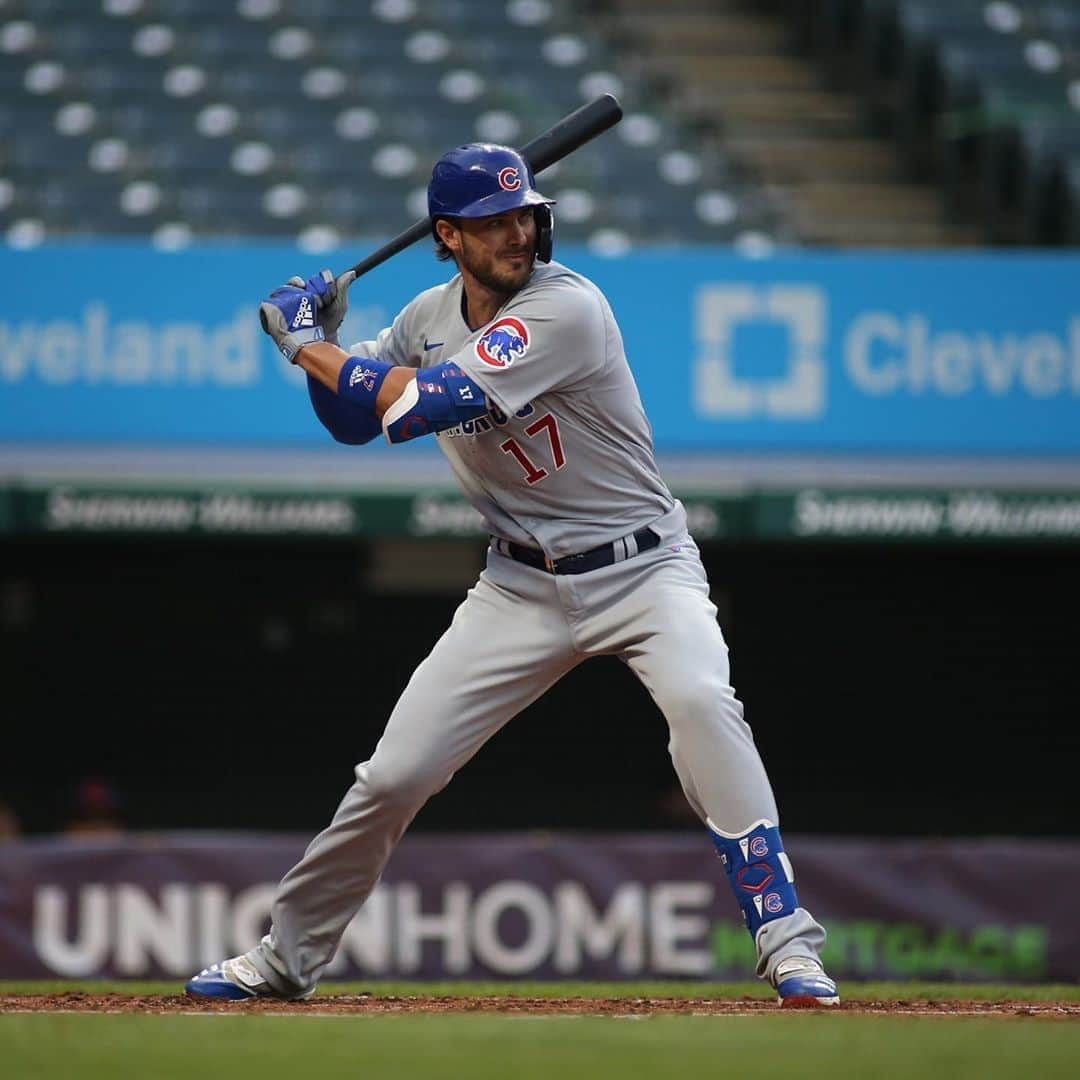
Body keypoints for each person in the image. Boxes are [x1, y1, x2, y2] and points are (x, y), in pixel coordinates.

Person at [185, 143, 839, 1006]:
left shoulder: (568, 308)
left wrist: (304, 343)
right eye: (494, 221)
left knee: (701, 704)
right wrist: (331, 346)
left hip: (643, 568)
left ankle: (790, 946)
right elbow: (350, 422)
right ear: (447, 235)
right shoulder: (425, 315)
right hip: (520, 585)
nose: (518, 232)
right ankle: (285, 956)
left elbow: (423, 407)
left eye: (526, 214)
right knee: (394, 775)